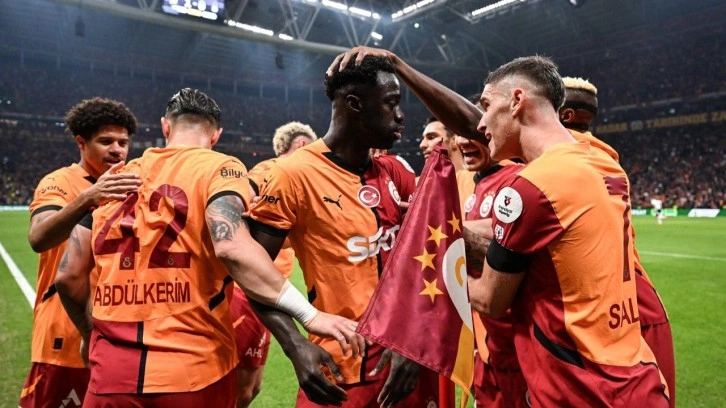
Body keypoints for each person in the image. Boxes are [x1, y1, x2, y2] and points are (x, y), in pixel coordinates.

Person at [329, 48, 670, 406]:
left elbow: (488, 299)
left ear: (518, 101)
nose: (480, 124)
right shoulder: (606, 164)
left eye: (488, 106)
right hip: (637, 373)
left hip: (580, 388)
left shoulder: (528, 188)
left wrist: (432, 255)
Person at [54, 88, 362, 407]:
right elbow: (231, 247)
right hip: (193, 369)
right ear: (216, 135)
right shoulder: (221, 168)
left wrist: (89, 334)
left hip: (110, 375)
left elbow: (68, 277)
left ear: (165, 126)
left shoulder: (115, 179)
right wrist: (309, 315)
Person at [247, 56, 438, 407]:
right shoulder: (293, 175)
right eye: (391, 103)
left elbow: (432, 260)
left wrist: (414, 339)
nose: (400, 116)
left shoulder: (395, 172)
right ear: (355, 104)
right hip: (340, 367)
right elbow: (251, 272)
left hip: (406, 364)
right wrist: (295, 345)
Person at [559, 76, 675, 407]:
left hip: (602, 313)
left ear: (563, 115)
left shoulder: (564, 164)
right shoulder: (607, 160)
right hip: (635, 301)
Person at [20, 97, 140, 408]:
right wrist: (89, 197)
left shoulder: (130, 186)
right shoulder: (59, 182)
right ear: (81, 143)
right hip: (65, 337)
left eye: (123, 142)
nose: (117, 149)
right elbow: (39, 237)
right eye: (106, 141)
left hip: (116, 336)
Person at [232, 121, 318, 408]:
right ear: (302, 145)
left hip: (270, 293)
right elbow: (242, 211)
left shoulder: (287, 177)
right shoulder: (272, 170)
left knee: (253, 386)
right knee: (241, 388)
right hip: (249, 291)